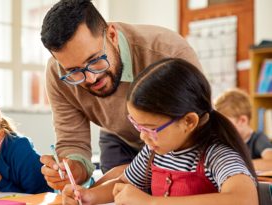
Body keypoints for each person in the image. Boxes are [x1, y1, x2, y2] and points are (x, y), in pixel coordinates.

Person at [40, 0, 202, 190]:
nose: (91, 78)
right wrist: (73, 169)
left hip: (176, 145)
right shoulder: (58, 74)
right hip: (118, 137)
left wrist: (134, 175)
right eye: (74, 70)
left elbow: (195, 130)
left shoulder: (169, 52)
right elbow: (72, 140)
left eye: (94, 60)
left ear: (112, 35)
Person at [62, 58, 258, 205]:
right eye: (138, 125)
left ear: (188, 121)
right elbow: (123, 183)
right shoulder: (154, 152)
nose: (142, 136)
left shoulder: (216, 156)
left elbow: (245, 199)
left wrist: (151, 202)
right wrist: (88, 196)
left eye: (151, 129)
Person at [215, 88, 272, 171]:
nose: (220, 129)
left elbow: (270, 163)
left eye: (224, 124)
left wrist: (236, 165)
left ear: (242, 120)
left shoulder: (258, 139)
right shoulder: (226, 142)